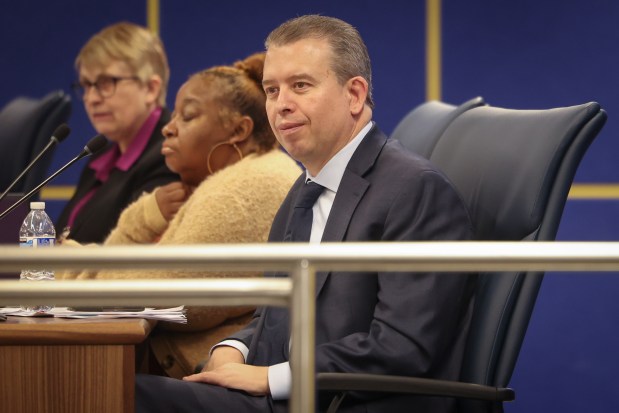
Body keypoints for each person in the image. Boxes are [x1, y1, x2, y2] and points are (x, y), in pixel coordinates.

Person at [135, 15, 477, 413]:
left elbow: (404, 347)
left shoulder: (415, 189)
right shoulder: (306, 188)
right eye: (272, 90)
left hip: (340, 403)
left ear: (354, 94)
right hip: (287, 396)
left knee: (122, 396)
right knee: (115, 389)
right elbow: (277, 316)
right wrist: (234, 349)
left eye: (300, 86)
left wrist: (269, 377)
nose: (281, 105)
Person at [57, 52, 301, 379]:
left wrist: (62, 270)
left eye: (187, 117)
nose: (168, 129)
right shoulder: (229, 178)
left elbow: (153, 295)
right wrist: (141, 220)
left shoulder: (241, 190)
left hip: (204, 380)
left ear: (238, 131)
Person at [55, 22, 179, 244]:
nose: (91, 98)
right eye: (86, 85)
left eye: (106, 83)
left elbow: (133, 249)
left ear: (151, 89)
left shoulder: (170, 156)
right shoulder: (99, 159)